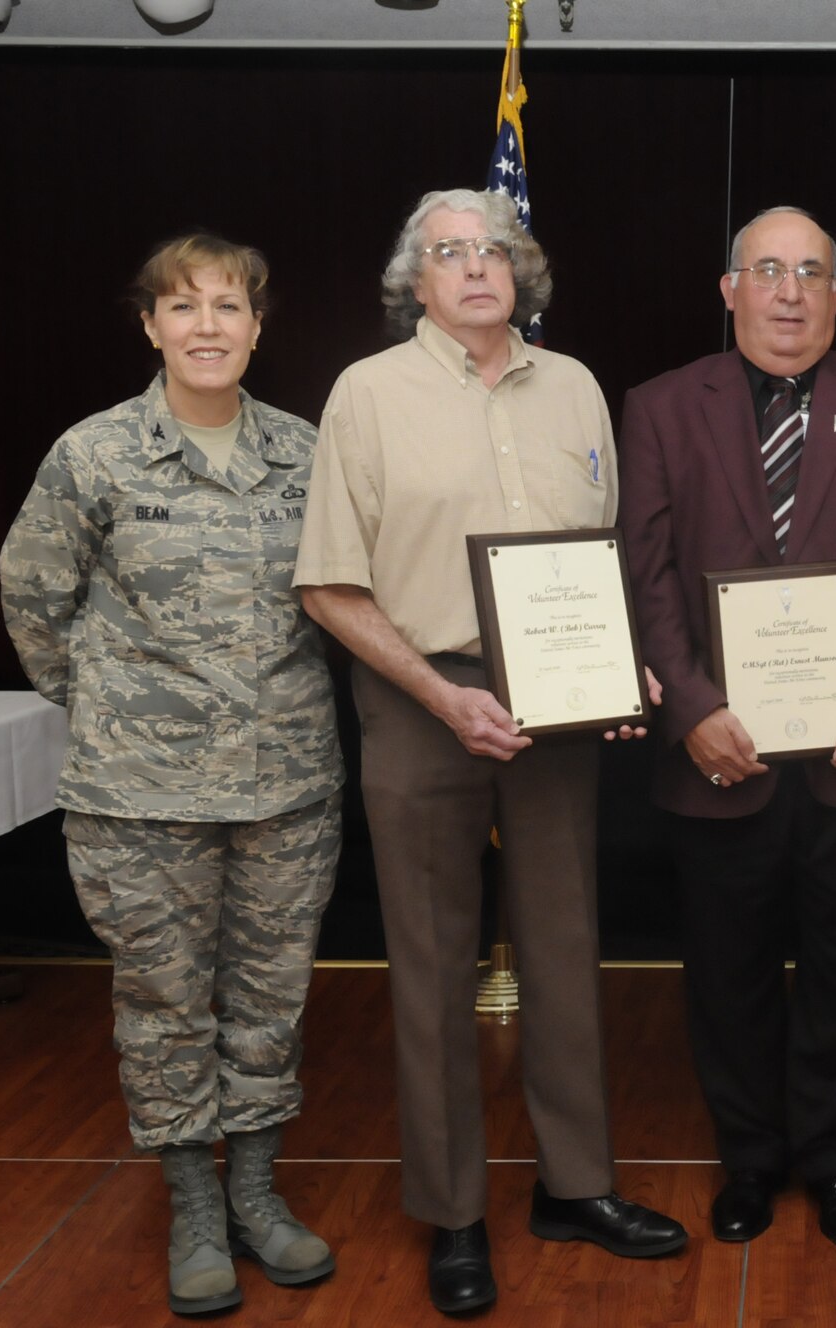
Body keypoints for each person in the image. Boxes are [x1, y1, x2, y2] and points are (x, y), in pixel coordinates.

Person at [295, 188, 684, 1317]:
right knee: (430, 963)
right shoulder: (365, 394)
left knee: (565, 945)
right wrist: (439, 693)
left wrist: (627, 668)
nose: (476, 266)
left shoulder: (572, 387)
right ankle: (455, 1209)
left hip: (560, 700)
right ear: (413, 281)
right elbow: (327, 581)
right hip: (421, 700)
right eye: (449, 251)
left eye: (495, 249)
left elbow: (606, 554)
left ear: (524, 273)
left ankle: (575, 1184)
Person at [0, 234, 344, 1316]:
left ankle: (255, 1190)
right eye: (182, 306)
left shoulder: (306, 451)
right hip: (136, 798)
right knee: (162, 1005)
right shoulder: (95, 455)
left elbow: (343, 598)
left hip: (284, 786)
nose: (206, 325)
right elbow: (34, 601)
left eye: (227, 305)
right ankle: (193, 1202)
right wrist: (118, 710)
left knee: (267, 999)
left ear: (256, 324)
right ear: (149, 326)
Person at [618, 205, 836, 1249]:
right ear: (730, 290)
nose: (789, 291)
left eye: (811, 270)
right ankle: (752, 1159)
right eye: (766, 269)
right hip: (721, 758)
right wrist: (690, 709)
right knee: (728, 973)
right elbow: (645, 574)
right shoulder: (662, 406)